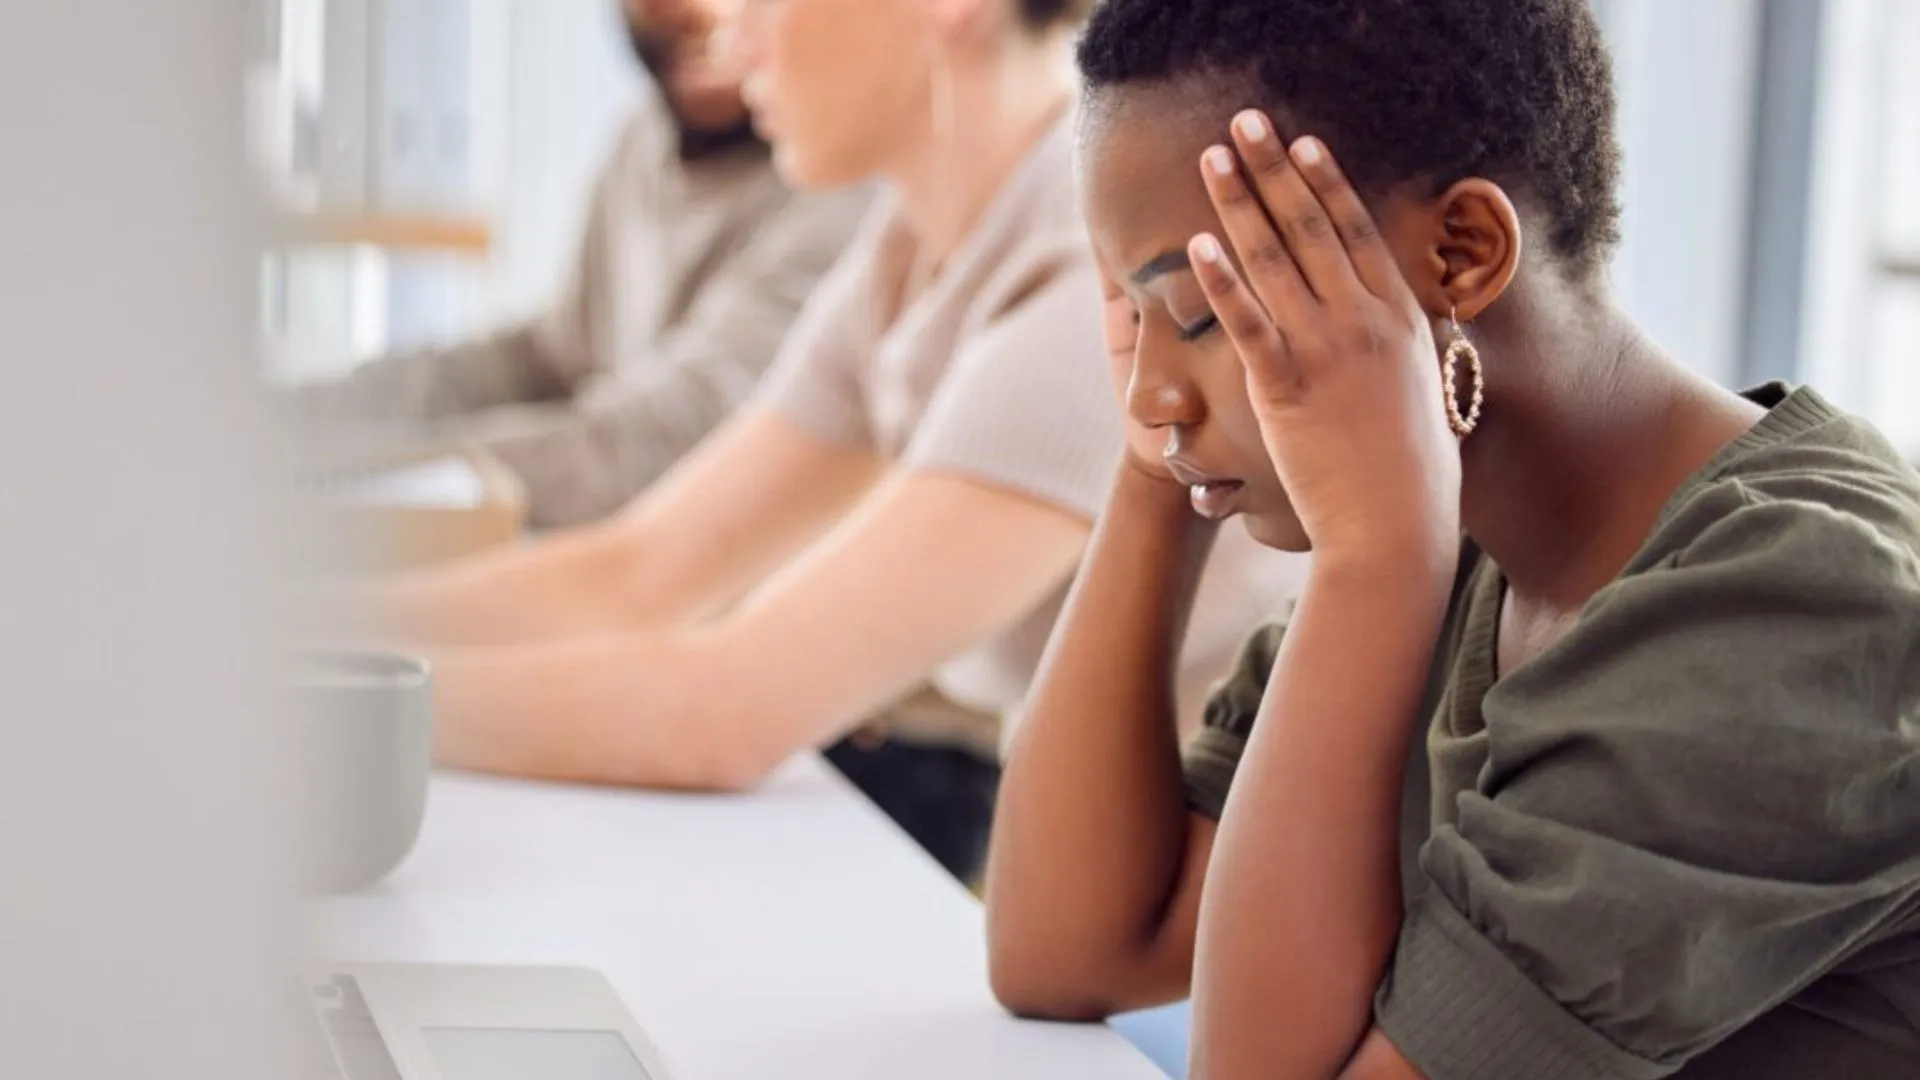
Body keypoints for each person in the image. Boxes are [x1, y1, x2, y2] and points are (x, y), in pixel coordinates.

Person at [984, 1, 1920, 1076]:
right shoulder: (1464, 529)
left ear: (1463, 253)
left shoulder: (1797, 611)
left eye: (1201, 314)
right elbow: (1069, 947)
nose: (1149, 388)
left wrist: (1375, 563)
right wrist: (1163, 460)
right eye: (1131, 316)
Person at [324, 0, 1303, 884]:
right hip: (1126, 870)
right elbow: (639, 567)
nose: (728, 31)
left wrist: (303, 702)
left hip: (1241, 910)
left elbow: (727, 710)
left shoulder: (1092, 259)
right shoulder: (910, 242)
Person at [294, 0, 870, 528]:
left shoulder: (844, 192)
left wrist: (347, 476)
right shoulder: (644, 138)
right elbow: (554, 354)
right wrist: (311, 415)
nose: (704, 24)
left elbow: (657, 448)